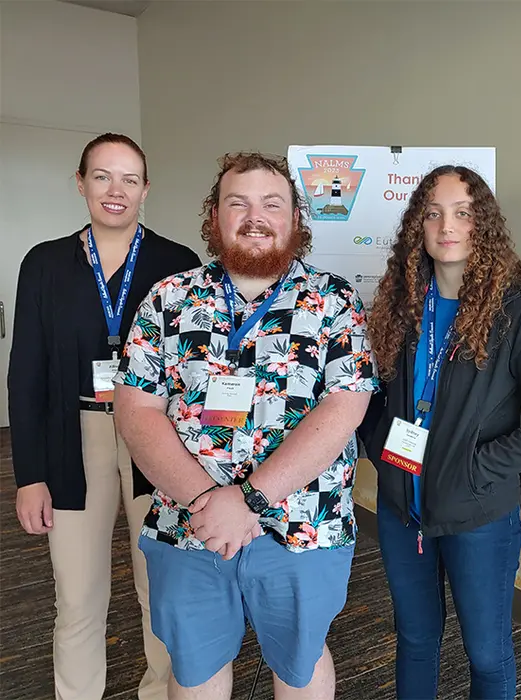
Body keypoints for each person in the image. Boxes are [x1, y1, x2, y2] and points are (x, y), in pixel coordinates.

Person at [111, 152, 376, 700]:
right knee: (194, 667)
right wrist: (209, 500)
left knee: (300, 665)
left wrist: (250, 500)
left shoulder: (334, 301)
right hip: (189, 525)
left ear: (294, 220)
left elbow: (345, 408)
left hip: (305, 524)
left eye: (271, 204)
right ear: (215, 217)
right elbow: (136, 410)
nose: (255, 216)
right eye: (239, 203)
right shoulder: (168, 299)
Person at [359, 165, 521, 700]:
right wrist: (385, 455)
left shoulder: (515, 312)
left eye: (463, 213)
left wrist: (476, 466)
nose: (447, 225)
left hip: (478, 515)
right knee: (414, 639)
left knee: (486, 651)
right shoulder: (400, 306)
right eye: (433, 213)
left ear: (484, 225)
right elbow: (367, 398)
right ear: (418, 226)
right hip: (401, 508)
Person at [8, 132, 201, 700]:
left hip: (156, 435)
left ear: (146, 189)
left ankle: (160, 691)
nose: (116, 191)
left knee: (160, 587)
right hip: (74, 435)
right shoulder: (44, 263)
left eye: (130, 179)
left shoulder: (177, 264)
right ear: (80, 183)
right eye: (102, 176)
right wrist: (29, 475)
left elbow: (193, 370)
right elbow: (26, 375)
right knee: (78, 593)